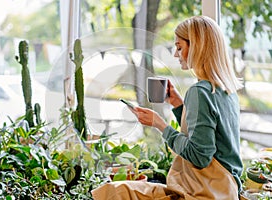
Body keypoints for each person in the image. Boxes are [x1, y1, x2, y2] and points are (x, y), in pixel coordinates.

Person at [92, 15, 243, 200]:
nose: (175, 54)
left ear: (197, 47)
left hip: (202, 193)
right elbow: (209, 139)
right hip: (226, 190)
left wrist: (160, 125)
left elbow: (199, 156)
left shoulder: (199, 92)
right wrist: (179, 105)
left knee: (114, 191)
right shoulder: (227, 90)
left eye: (179, 47)